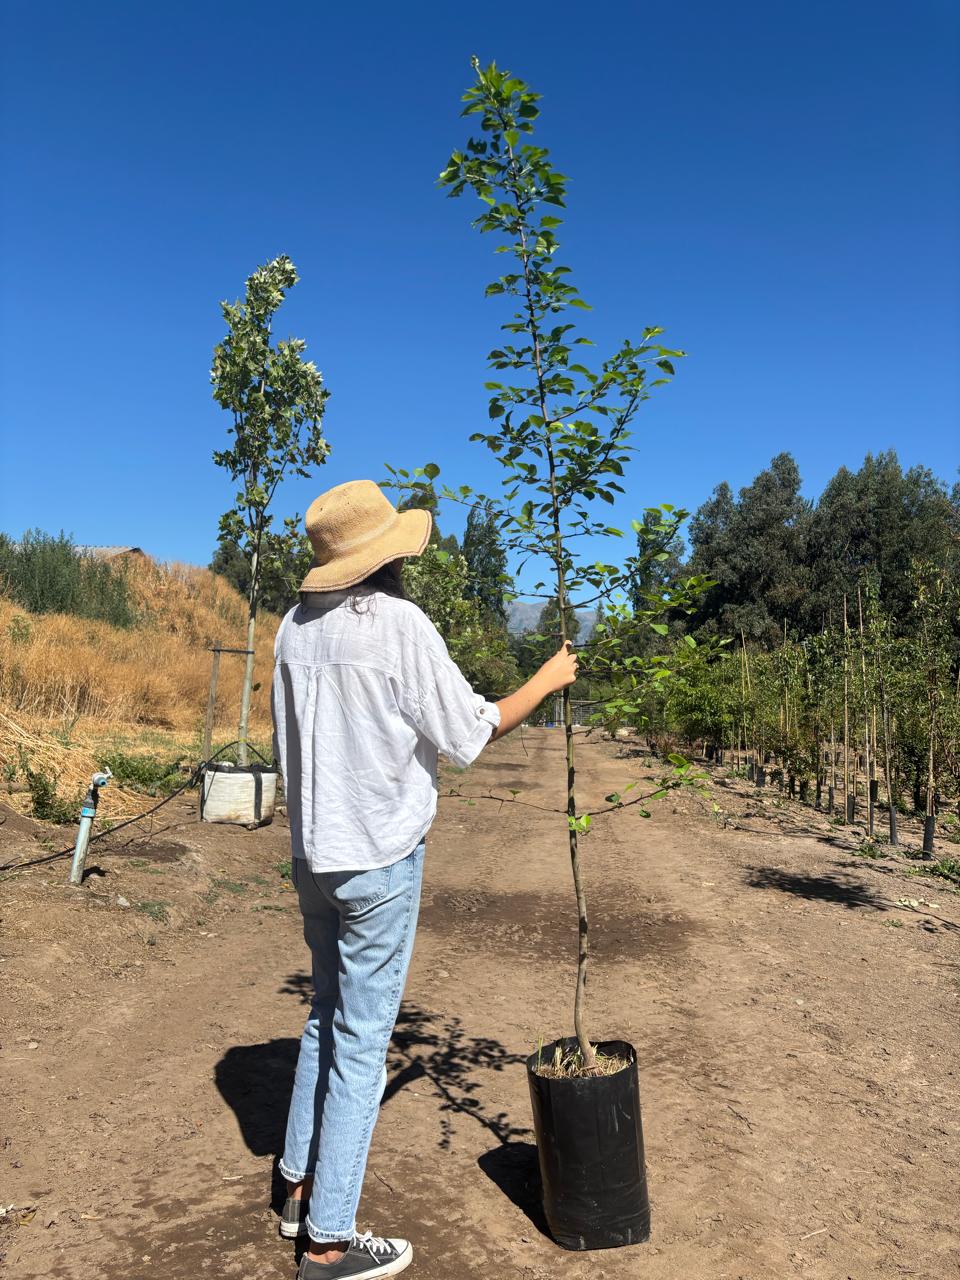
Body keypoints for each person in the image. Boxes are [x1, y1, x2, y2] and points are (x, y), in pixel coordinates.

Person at [271, 479, 578, 1279]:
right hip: (376, 854)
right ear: (391, 555)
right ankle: (330, 1242)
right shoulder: (399, 625)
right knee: (362, 1045)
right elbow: (469, 733)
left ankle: (294, 1190)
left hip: (314, 855)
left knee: (325, 1015)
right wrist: (546, 680)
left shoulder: (292, 629)